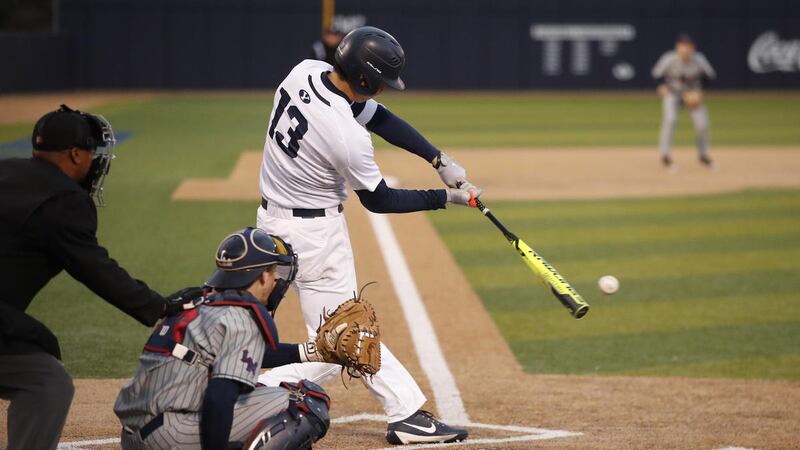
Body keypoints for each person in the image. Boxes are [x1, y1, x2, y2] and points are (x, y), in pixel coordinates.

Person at [256, 26, 477, 445]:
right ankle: (250, 387)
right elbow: (379, 200)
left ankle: (406, 412)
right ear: (363, 79)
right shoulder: (344, 133)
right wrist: (445, 197)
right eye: (378, 84)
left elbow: (381, 119)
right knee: (343, 336)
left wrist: (437, 158)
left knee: (341, 332)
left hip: (272, 225)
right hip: (315, 237)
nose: (381, 91)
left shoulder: (305, 71)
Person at [0, 105, 192, 450]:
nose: (96, 160)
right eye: (91, 152)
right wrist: (162, 306)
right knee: (46, 381)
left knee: (34, 347)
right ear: (75, 155)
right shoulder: (63, 200)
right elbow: (97, 271)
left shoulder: (7, 171)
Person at [114, 227, 335, 449]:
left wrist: (309, 352)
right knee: (304, 402)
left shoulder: (198, 300)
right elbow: (218, 399)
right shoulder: (241, 318)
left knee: (254, 387)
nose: (276, 279)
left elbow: (241, 354)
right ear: (261, 276)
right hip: (170, 437)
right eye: (272, 271)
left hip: (133, 436)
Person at [652, 33, 717, 170]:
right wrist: (661, 86)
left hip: (692, 95)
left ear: (693, 47)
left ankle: (703, 155)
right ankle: (665, 155)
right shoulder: (669, 59)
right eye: (682, 45)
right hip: (673, 94)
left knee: (702, 124)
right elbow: (656, 75)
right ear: (677, 47)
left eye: (688, 46)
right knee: (670, 120)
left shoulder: (699, 59)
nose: (685, 49)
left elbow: (710, 77)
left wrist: (701, 92)